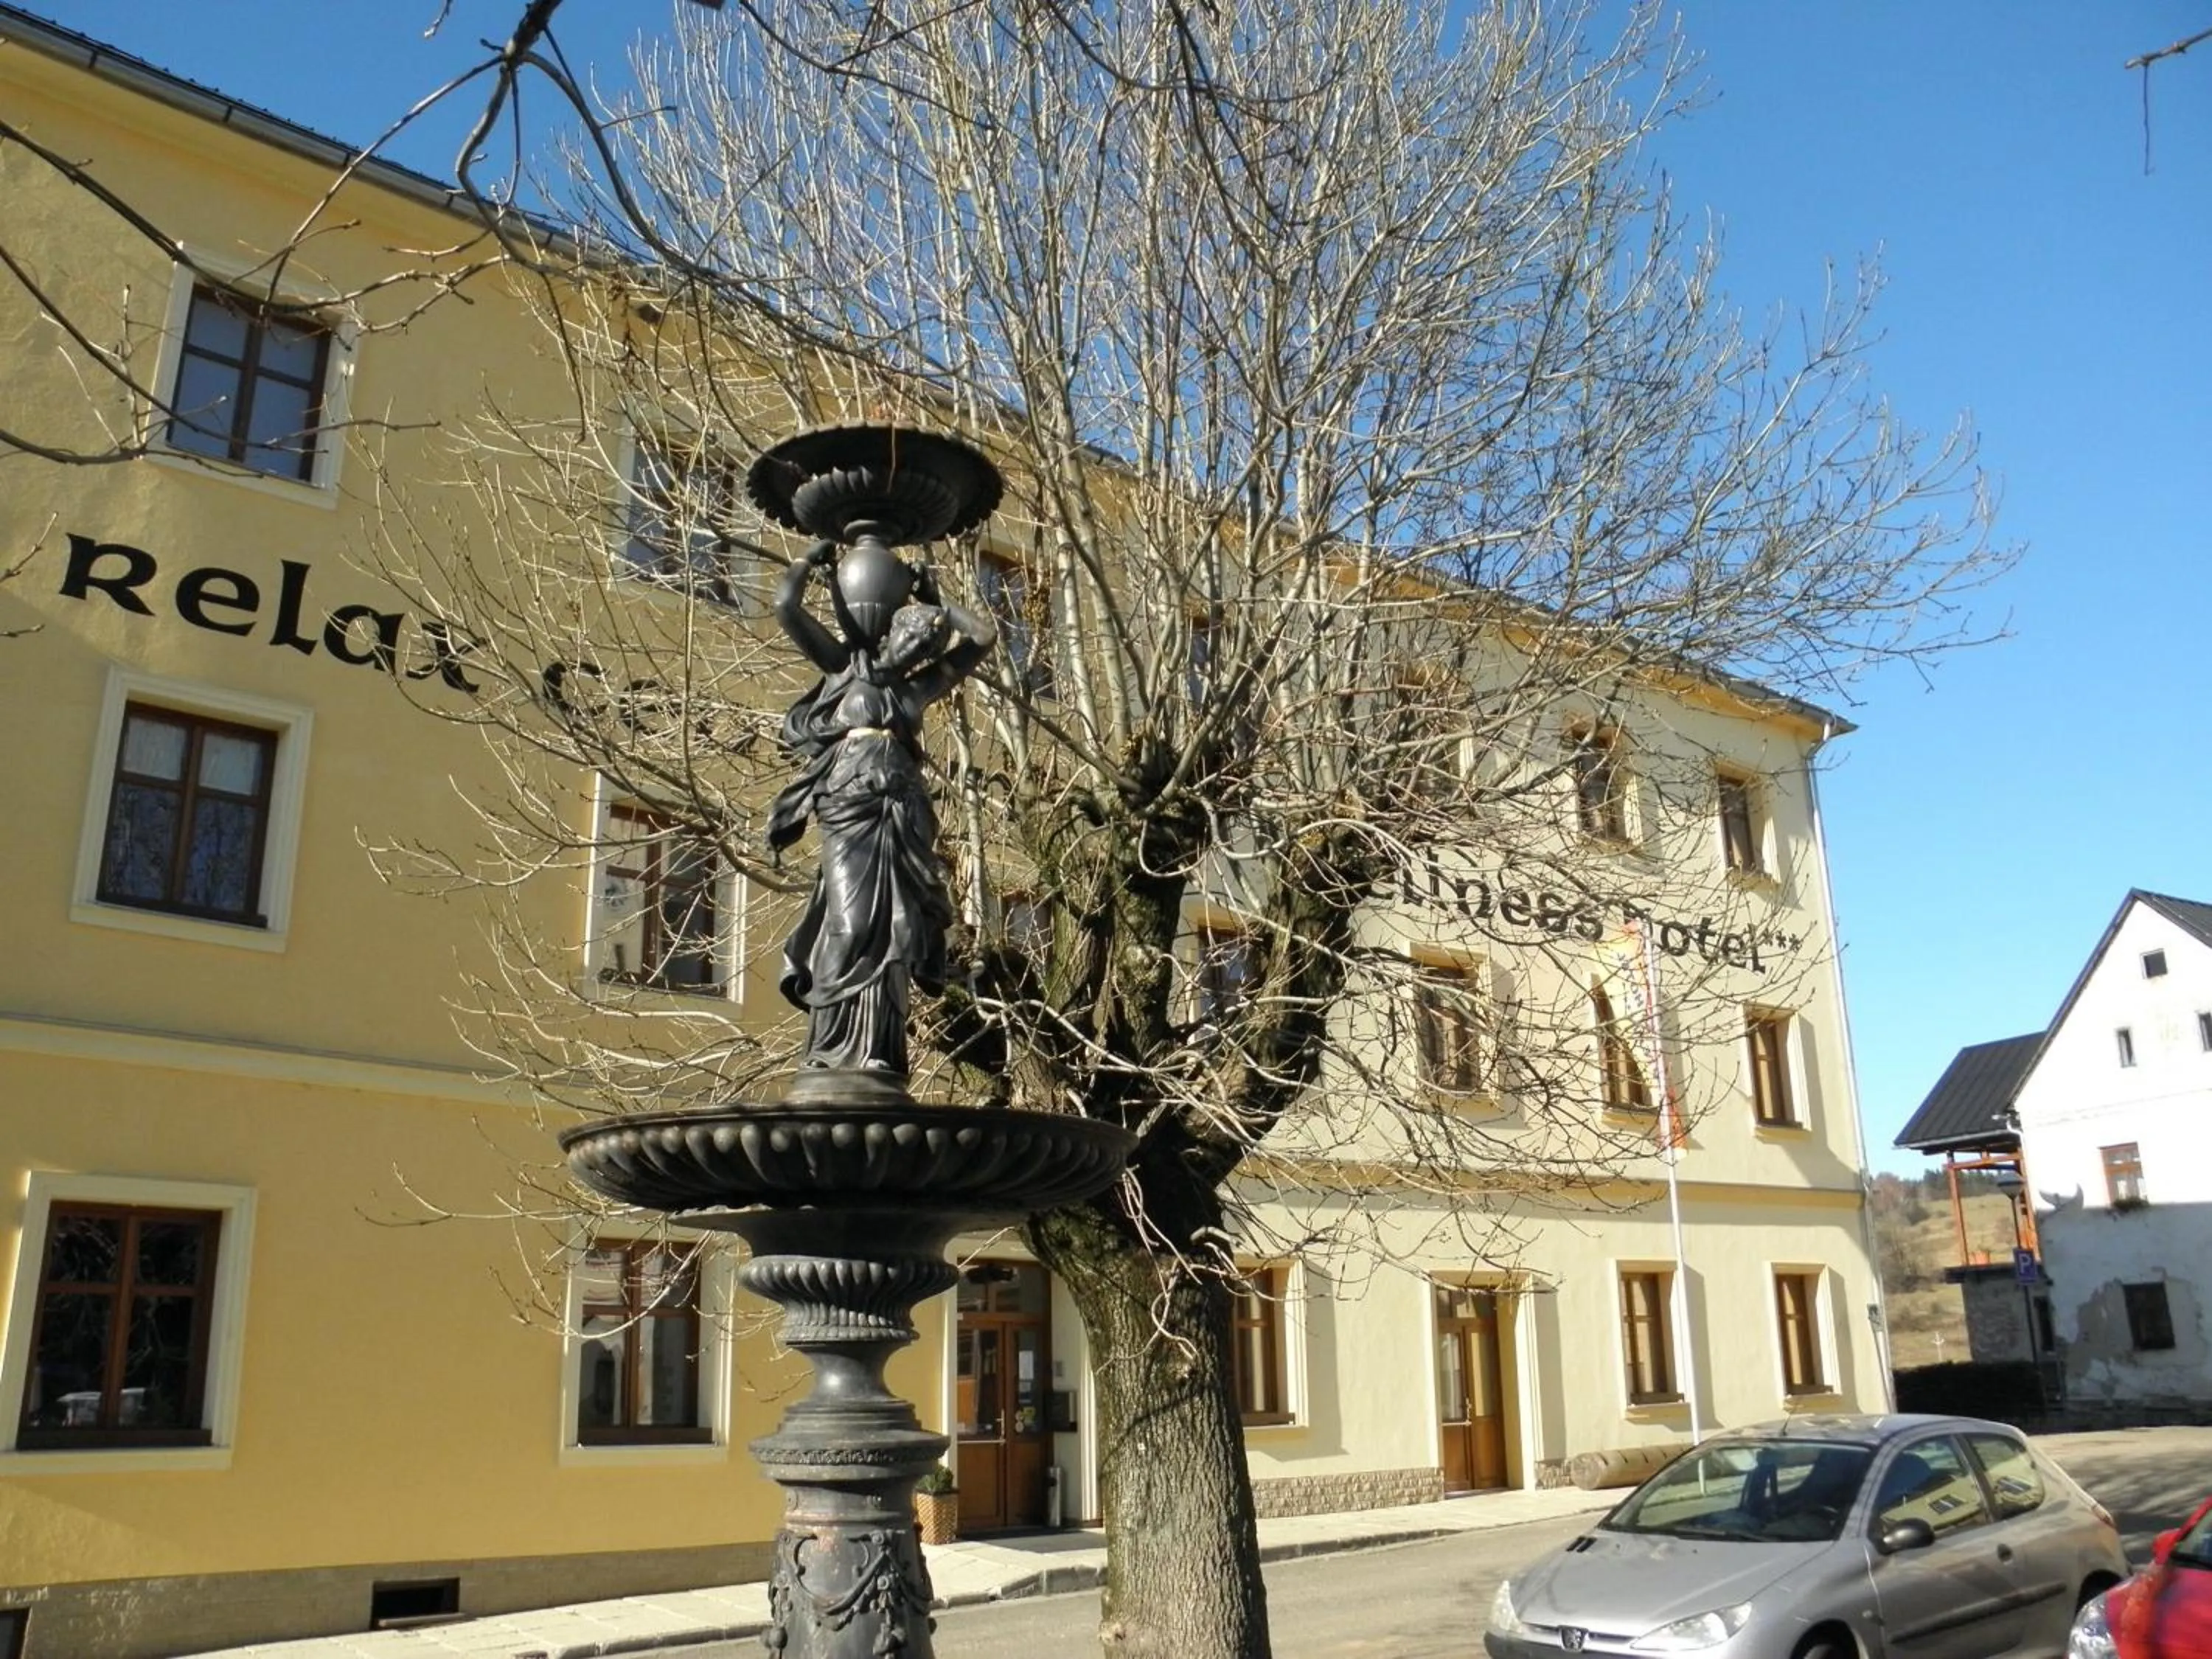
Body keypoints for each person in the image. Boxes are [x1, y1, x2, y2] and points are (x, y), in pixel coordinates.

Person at [768, 535, 996, 1093]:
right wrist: (809, 562)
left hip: (902, 812)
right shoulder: (845, 665)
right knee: (848, 924)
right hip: (849, 804)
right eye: (910, 634)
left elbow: (984, 636)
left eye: (924, 643)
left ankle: (880, 1055)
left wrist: (937, 601)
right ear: (893, 629)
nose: (915, 647)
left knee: (897, 932)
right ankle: (827, 1053)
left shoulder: (918, 688)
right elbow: (785, 607)